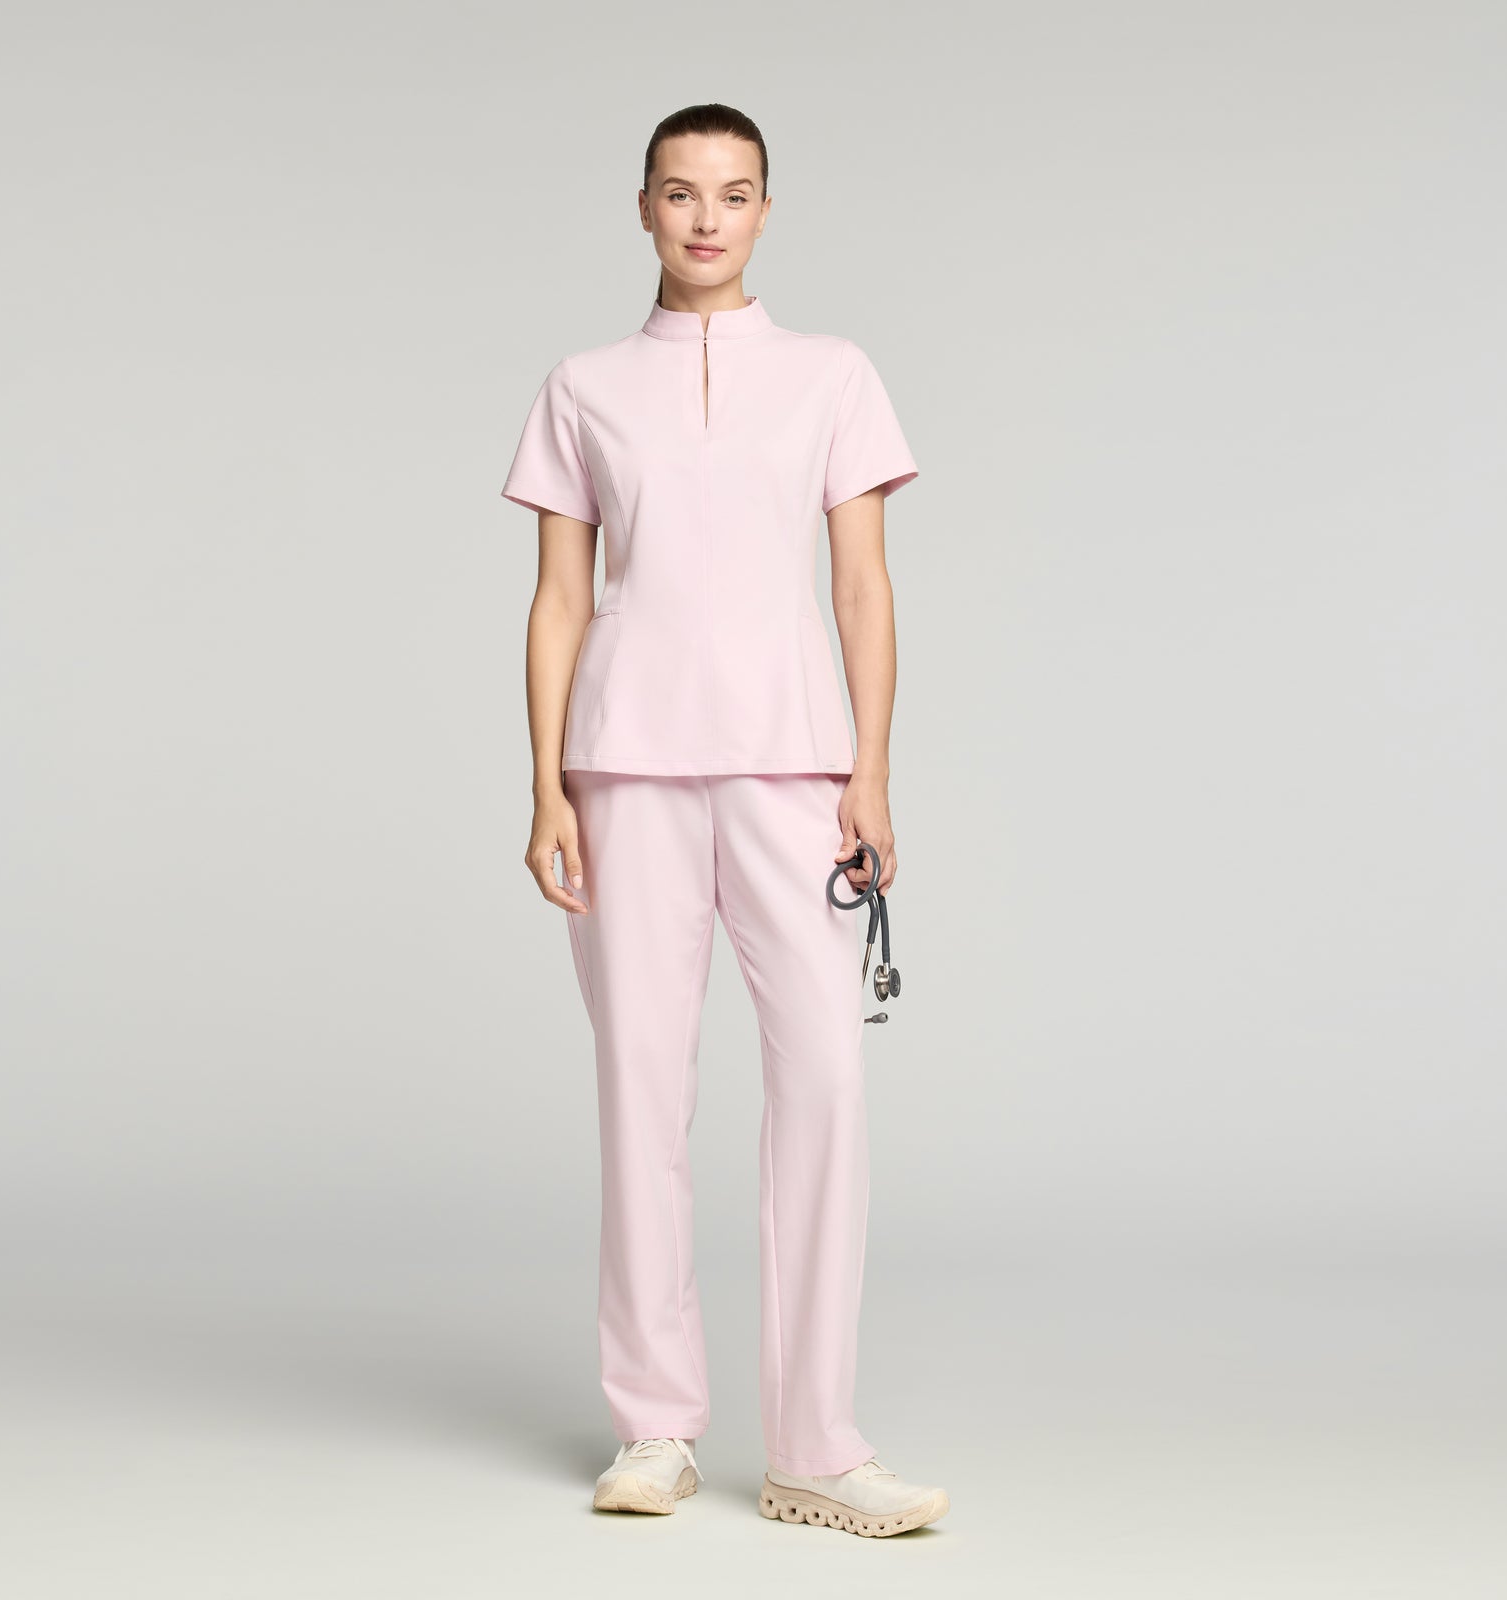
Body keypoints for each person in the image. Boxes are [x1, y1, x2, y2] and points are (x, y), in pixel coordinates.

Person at [502, 103, 949, 1540]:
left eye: (735, 193)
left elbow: (863, 586)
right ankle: (654, 1427)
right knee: (641, 1085)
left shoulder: (831, 375)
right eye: (682, 192)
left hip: (792, 765)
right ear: (642, 207)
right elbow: (560, 599)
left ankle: (817, 1444)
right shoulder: (582, 387)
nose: (707, 218)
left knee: (824, 1079)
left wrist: (871, 772)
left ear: (766, 210)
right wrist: (545, 783)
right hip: (624, 766)